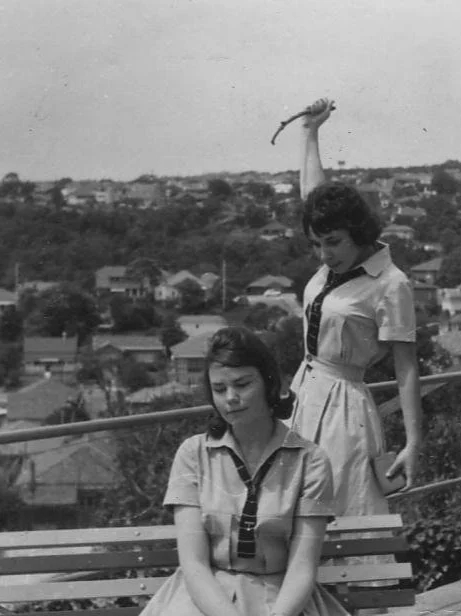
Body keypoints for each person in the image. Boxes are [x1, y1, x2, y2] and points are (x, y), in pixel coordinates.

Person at [140, 326, 349, 616]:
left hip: (284, 601)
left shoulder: (310, 462)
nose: (231, 398)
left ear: (268, 383)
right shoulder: (193, 455)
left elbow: (302, 567)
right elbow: (194, 564)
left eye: (242, 384)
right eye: (219, 389)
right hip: (204, 599)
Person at [289, 98, 423, 523]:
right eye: (316, 244)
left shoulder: (391, 283)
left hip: (345, 413)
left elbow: (406, 367)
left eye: (333, 242)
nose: (324, 254)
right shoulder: (334, 263)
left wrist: (413, 443)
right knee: (296, 511)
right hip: (303, 396)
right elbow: (313, 196)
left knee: (341, 513)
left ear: (359, 233)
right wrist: (311, 133)